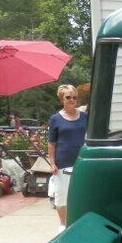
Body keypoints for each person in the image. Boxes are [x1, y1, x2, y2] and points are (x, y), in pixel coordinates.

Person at [47, 84, 88, 231]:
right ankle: (64, 224)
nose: (72, 100)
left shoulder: (85, 117)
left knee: (82, 195)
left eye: (74, 97)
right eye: (68, 97)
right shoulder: (55, 119)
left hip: (82, 162)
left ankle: (79, 223)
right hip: (63, 163)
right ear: (61, 99)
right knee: (61, 197)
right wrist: (52, 163)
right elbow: (51, 144)